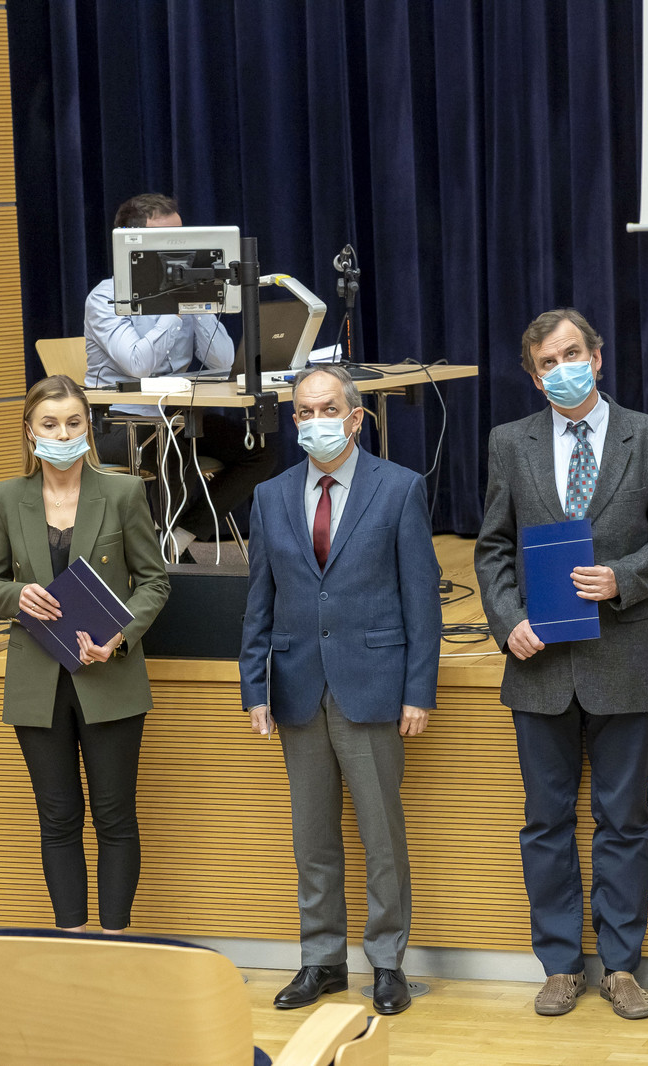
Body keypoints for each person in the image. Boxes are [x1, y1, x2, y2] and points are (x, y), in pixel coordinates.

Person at [473, 309, 648, 1020]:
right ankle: (561, 966)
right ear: (534, 377)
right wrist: (507, 621)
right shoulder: (509, 443)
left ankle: (622, 968)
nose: (562, 368)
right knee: (545, 823)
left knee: (624, 822)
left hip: (623, 656)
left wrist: (622, 577)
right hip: (539, 665)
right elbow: (493, 546)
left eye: (572, 354)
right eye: (547, 362)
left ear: (597, 358)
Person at [240, 365, 440, 1017]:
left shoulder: (399, 488)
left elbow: (422, 602)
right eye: (303, 412)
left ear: (356, 418)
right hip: (297, 686)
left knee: (381, 837)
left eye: (327, 409)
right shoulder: (270, 496)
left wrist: (418, 690)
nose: (314, 421)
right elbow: (259, 601)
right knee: (313, 838)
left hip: (373, 684)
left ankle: (387, 963)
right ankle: (322, 960)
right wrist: (254, 687)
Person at [0, 374, 171, 933]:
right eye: (50, 424)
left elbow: (154, 582)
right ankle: (71, 939)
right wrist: (17, 595)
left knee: (114, 816)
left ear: (89, 427)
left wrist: (120, 635)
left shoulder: (124, 493)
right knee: (58, 818)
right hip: (37, 682)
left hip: (109, 676)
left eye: (73, 423)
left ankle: (115, 939)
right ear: (29, 431)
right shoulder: (5, 498)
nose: (63, 435)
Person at [85, 192, 275, 541]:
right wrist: (172, 309)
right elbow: (138, 364)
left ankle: (180, 536)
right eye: (165, 241)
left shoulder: (189, 290)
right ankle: (165, 553)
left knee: (259, 451)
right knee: (173, 449)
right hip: (116, 424)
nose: (177, 250)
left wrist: (197, 303)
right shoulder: (105, 297)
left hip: (178, 419)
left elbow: (223, 363)